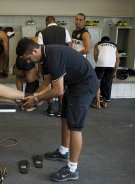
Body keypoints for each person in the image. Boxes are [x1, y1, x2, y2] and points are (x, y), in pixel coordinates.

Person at [16, 37, 99, 181]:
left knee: (75, 127)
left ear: (35, 50)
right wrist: (34, 99)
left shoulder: (53, 56)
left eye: (28, 58)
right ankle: (63, 152)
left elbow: (58, 90)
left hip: (85, 85)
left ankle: (72, 169)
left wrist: (36, 99)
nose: (28, 62)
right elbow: (46, 83)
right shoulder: (45, 57)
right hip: (74, 84)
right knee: (65, 118)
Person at [38, 16, 72, 117]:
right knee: (61, 86)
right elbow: (69, 45)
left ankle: (50, 108)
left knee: (49, 85)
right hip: (62, 63)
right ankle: (60, 109)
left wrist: (40, 68)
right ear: (55, 21)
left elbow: (40, 50)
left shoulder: (42, 32)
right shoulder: (64, 30)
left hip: (48, 63)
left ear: (46, 22)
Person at [91, 36, 120, 109]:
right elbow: (117, 59)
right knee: (108, 83)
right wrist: (115, 71)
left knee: (97, 82)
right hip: (111, 65)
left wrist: (99, 63)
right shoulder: (114, 45)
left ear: (102, 40)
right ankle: (105, 103)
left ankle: (97, 103)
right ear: (109, 41)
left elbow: (95, 56)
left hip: (101, 64)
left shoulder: (98, 44)